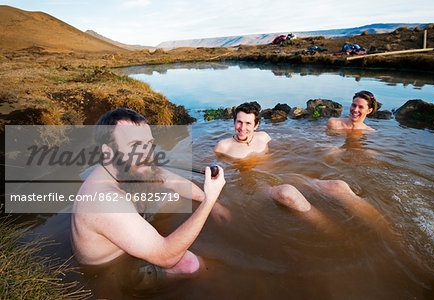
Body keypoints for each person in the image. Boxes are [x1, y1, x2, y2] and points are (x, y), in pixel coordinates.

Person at [71, 108, 227, 279]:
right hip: (113, 271)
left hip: (127, 243)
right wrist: (209, 202)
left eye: (149, 145)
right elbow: (166, 256)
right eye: (135, 145)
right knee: (190, 264)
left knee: (171, 198)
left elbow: (175, 182)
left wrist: (215, 205)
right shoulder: (104, 200)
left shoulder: (129, 167)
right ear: (108, 152)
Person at [214, 102, 390, 233]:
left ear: (256, 125)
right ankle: (334, 231)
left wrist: (317, 145)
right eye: (239, 122)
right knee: (287, 192)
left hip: (280, 174)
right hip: (254, 184)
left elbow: (289, 144)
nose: (242, 128)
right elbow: (208, 164)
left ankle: (386, 229)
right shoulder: (223, 146)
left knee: (339, 186)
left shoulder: (263, 137)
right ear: (234, 121)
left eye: (247, 123)